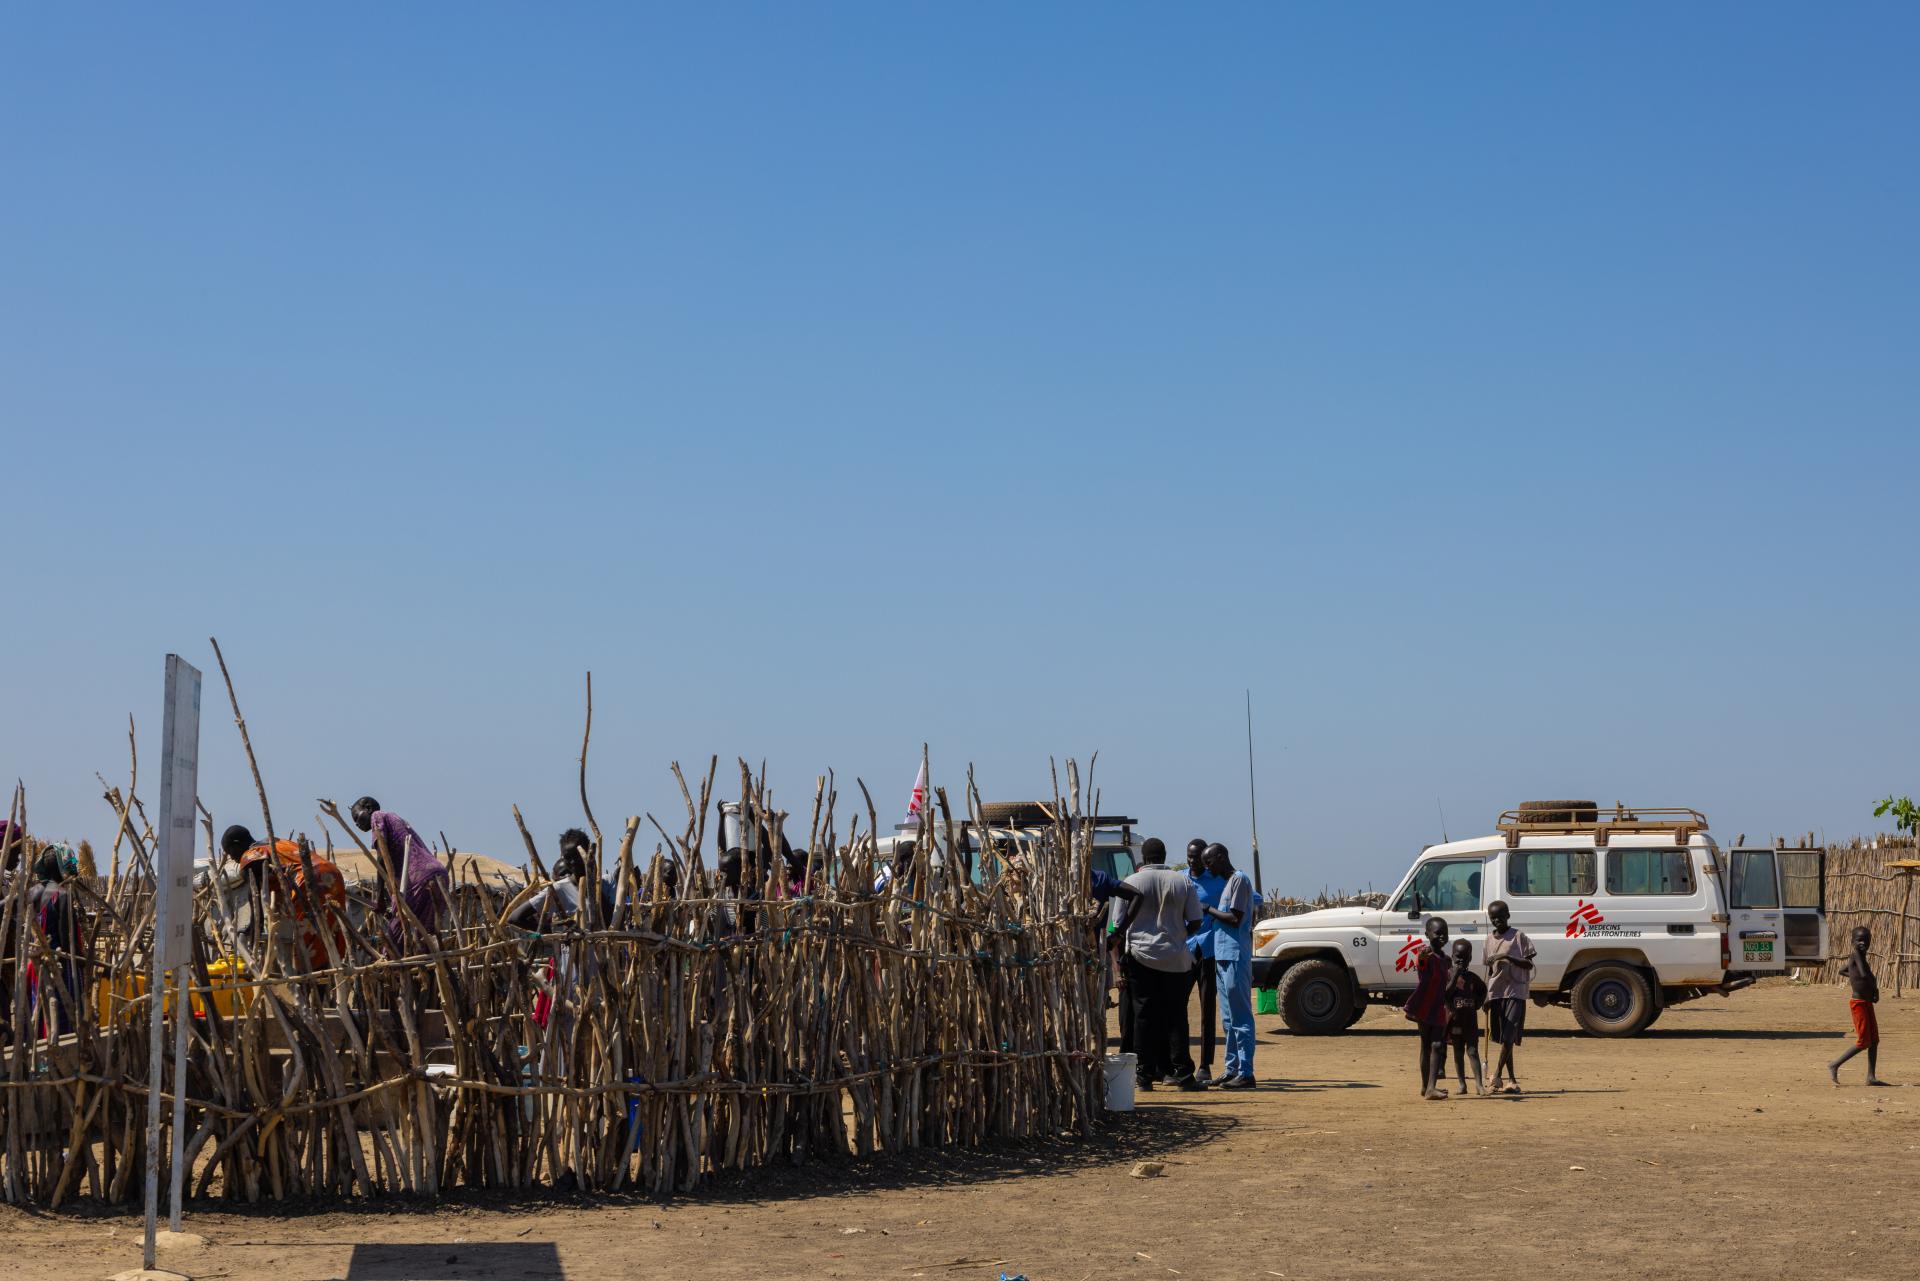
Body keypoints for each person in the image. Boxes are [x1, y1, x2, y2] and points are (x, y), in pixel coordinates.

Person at [1114, 838, 1205, 1092]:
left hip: (1140, 955)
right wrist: (1179, 934)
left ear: (1143, 857)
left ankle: (1143, 1075)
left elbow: (1119, 922)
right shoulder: (1182, 881)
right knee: (1176, 1015)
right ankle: (1184, 1073)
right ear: (1164, 855)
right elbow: (1196, 921)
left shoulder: (1131, 882)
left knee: (1143, 1015)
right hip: (1175, 957)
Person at [220, 824, 348, 971]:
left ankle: (307, 982)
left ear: (237, 844)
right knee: (328, 932)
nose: (232, 858)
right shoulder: (279, 843)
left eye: (230, 852)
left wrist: (255, 925)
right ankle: (327, 979)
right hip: (332, 874)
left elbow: (252, 889)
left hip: (309, 880)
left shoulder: (252, 854)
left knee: (305, 941)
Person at [351, 796, 451, 953]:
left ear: (369, 809)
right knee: (425, 934)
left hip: (417, 878)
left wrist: (378, 899)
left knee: (395, 938)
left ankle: (391, 969)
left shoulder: (378, 816)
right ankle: (429, 971)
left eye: (357, 817)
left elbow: (382, 857)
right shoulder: (395, 819)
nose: (356, 824)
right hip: (438, 874)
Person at [1201, 842, 1257, 1089]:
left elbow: (1235, 918)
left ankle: (1246, 1072)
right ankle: (1231, 1068)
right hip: (1222, 956)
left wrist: (1208, 909)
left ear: (1222, 856)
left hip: (1235, 956)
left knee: (1241, 1016)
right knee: (1228, 1019)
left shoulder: (1239, 880)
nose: (1207, 866)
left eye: (1209, 861)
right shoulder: (1227, 885)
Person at [25, 847, 84, 1037]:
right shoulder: (63, 895)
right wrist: (84, 962)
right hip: (60, 967)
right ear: (60, 866)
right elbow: (68, 942)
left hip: (35, 966)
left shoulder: (31, 892)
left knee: (39, 1014)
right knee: (63, 1021)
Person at [1483, 899, 1536, 1094]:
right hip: (1497, 992)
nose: (1497, 921)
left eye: (1500, 917)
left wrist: (1507, 958)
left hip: (1516, 991)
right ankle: (1511, 1079)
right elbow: (1490, 972)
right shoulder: (1488, 940)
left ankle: (1496, 1075)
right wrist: (1486, 996)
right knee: (1504, 1036)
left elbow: (1529, 964)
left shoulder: (1518, 937)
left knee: (1508, 1035)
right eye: (1493, 918)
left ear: (1508, 916)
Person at [1184, 837, 1225, 1081]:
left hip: (1209, 950)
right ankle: (1179, 1063)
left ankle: (1204, 1065)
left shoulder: (1220, 881)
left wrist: (1216, 913)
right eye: (1189, 857)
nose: (1192, 861)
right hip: (1185, 949)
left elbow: (1253, 899)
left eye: (1196, 857)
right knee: (1177, 1006)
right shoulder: (1181, 880)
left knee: (1207, 1008)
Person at [1829, 925, 1888, 1086]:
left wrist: (1853, 976)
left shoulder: (1859, 957)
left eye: (1866, 941)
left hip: (1867, 1002)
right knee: (1864, 1041)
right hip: (1859, 1004)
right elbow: (1863, 974)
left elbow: (1843, 970)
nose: (1863, 943)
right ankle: (1835, 1064)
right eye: (1859, 940)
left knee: (1874, 1040)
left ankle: (1871, 1077)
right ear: (1852, 942)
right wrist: (1874, 985)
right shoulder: (1856, 955)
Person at [1403, 915, 1451, 1100]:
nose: (1442, 937)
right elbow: (1421, 965)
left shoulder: (1446, 960)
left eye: (1444, 933)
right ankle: (1429, 1087)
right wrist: (1422, 957)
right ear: (1427, 934)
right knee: (1430, 1044)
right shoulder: (1426, 955)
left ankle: (1428, 1087)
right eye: (1437, 933)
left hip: (1438, 1006)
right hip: (1424, 1006)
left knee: (1434, 1045)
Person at [1443, 937, 1488, 1097]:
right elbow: (1445, 994)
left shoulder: (1472, 978)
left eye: (1464, 957)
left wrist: (1479, 1003)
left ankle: (1479, 1084)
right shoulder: (1448, 976)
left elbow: (1483, 990)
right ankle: (1462, 1084)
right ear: (1452, 957)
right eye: (1457, 957)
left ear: (1469, 958)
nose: (1460, 961)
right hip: (1455, 1021)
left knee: (1473, 1051)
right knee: (1457, 1052)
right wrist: (1455, 976)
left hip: (1470, 1021)